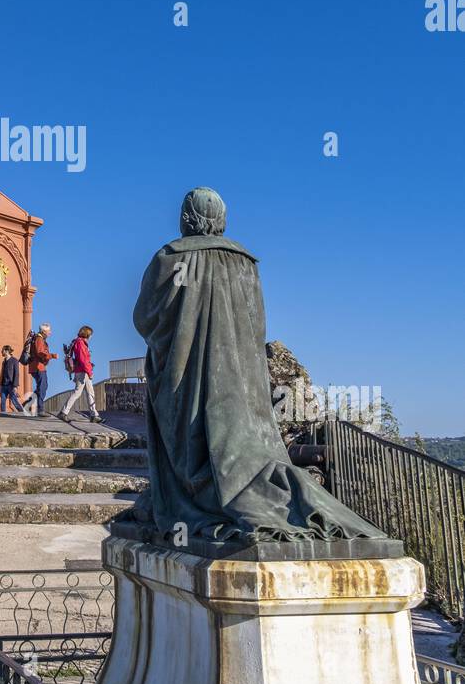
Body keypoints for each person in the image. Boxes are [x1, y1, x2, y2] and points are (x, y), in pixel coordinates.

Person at [131, 186, 385, 543]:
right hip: (241, 381)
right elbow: (255, 324)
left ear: (187, 219)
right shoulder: (245, 263)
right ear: (221, 220)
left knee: (188, 439)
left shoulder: (172, 257)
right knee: (246, 446)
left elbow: (146, 318)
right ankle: (240, 492)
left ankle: (193, 494)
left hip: (184, 376)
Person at [58, 326, 103, 424]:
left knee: (90, 393)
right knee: (77, 392)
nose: (91, 337)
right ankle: (63, 412)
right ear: (87, 334)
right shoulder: (81, 343)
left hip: (82, 371)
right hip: (83, 371)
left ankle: (94, 415)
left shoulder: (78, 342)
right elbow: (83, 360)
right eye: (90, 335)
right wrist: (90, 372)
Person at [24, 323, 57, 418]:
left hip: (37, 366)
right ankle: (40, 409)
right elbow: (40, 352)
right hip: (38, 367)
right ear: (43, 331)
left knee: (41, 387)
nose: (50, 333)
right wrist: (52, 356)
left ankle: (28, 403)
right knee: (43, 387)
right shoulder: (39, 339)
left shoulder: (39, 338)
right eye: (49, 331)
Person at [0, 346, 25, 414]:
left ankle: (22, 412)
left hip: (11, 385)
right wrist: (0, 386)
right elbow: (2, 374)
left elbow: (16, 374)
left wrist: (15, 386)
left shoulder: (14, 361)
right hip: (4, 385)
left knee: (14, 400)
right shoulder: (4, 362)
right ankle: (3, 414)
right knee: (3, 401)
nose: (1, 352)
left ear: (7, 351)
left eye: (2, 350)